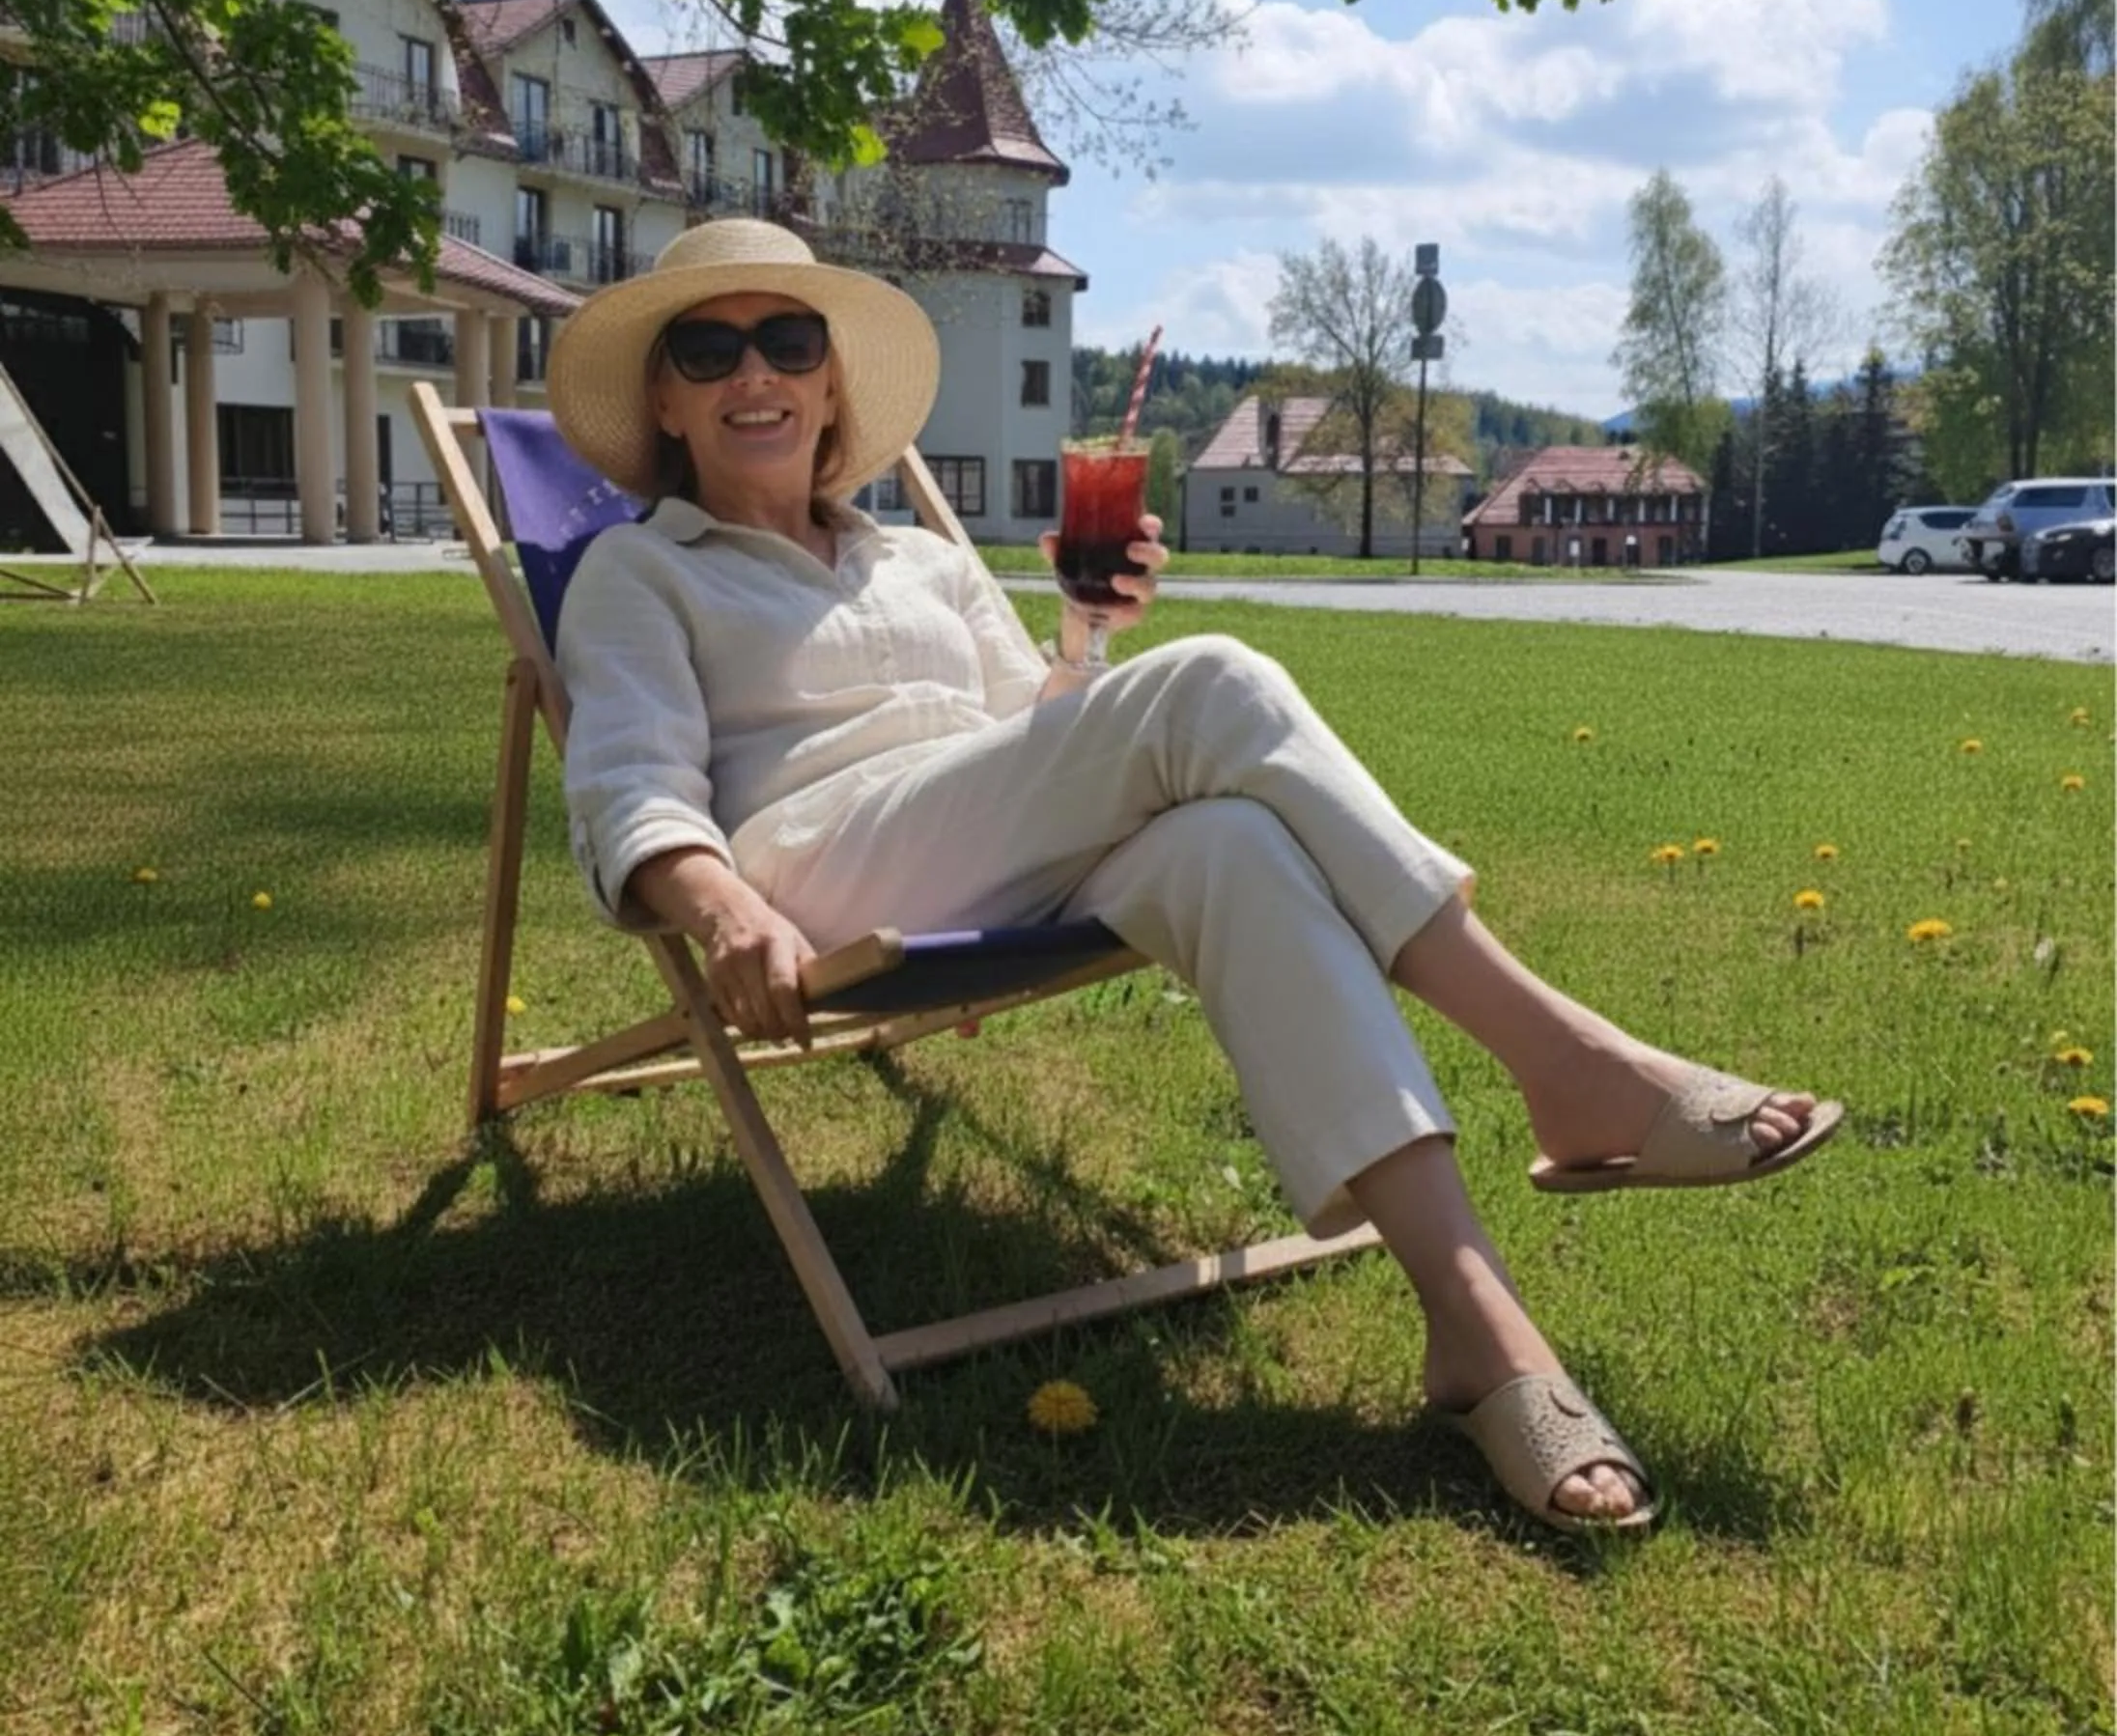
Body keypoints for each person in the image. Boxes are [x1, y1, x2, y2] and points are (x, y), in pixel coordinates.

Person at [549, 222, 1842, 1538]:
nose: (750, 373)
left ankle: (1481, 1334)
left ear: (831, 385)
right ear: (663, 397)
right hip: (815, 871)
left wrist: (1088, 639)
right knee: (1215, 683)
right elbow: (627, 788)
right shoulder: (640, 570)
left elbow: (1030, 737)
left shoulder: (921, 562)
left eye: (788, 340)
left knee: (1237, 845)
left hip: (976, 848)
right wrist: (722, 910)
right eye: (708, 349)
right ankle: (1571, 1065)